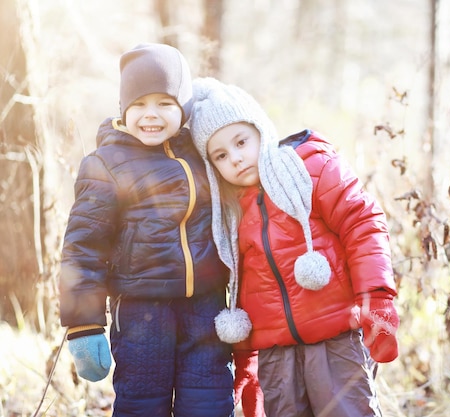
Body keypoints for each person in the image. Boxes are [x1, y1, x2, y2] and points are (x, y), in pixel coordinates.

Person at [189, 77, 400, 417]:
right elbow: (244, 288)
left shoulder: (311, 168)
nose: (237, 159)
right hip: (277, 353)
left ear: (261, 131)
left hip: (336, 339)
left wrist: (376, 295)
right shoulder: (229, 213)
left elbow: (362, 223)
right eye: (221, 155)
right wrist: (245, 360)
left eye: (242, 141)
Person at [58, 44, 236, 417]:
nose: (150, 115)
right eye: (138, 104)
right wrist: (84, 325)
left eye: (165, 104)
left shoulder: (201, 152)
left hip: (206, 309)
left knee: (209, 403)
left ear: (184, 108)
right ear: (124, 109)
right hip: (140, 313)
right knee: (143, 403)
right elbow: (83, 248)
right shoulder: (106, 163)